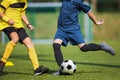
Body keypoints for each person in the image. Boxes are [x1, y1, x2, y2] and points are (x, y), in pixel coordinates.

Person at [52, 0, 115, 75]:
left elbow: (89, 13)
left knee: (83, 48)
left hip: (73, 29)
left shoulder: (79, 2)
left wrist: (96, 22)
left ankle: (102, 46)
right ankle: (62, 69)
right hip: (62, 29)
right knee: (56, 45)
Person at [0, 0, 49, 75]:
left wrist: (28, 24)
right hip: (7, 24)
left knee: (30, 43)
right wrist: (8, 19)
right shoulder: (7, 0)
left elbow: (22, 14)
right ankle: (2, 63)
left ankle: (36, 68)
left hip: (19, 25)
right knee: (15, 39)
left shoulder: (24, 2)